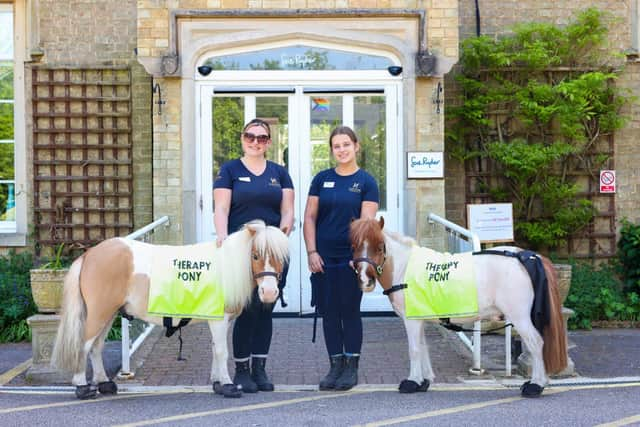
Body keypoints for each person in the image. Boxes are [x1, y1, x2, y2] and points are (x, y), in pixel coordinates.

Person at [213, 118, 294, 393]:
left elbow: (287, 210)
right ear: (242, 138)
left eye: (262, 138)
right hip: (242, 254)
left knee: (265, 311)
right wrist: (222, 237)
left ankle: (260, 369)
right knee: (246, 311)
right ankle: (242, 371)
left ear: (269, 142)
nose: (256, 142)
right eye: (251, 136)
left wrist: (284, 233)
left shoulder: (279, 173)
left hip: (272, 253)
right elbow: (221, 208)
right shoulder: (229, 170)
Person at [303, 126, 379, 391]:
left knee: (349, 311)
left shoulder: (366, 182)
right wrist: (312, 252)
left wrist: (358, 257)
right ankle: (335, 366)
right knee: (329, 313)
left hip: (350, 259)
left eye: (346, 144)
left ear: (356, 146)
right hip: (323, 258)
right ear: (332, 150)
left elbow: (367, 223)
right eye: (337, 146)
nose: (342, 150)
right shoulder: (321, 179)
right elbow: (310, 218)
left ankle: (351, 367)